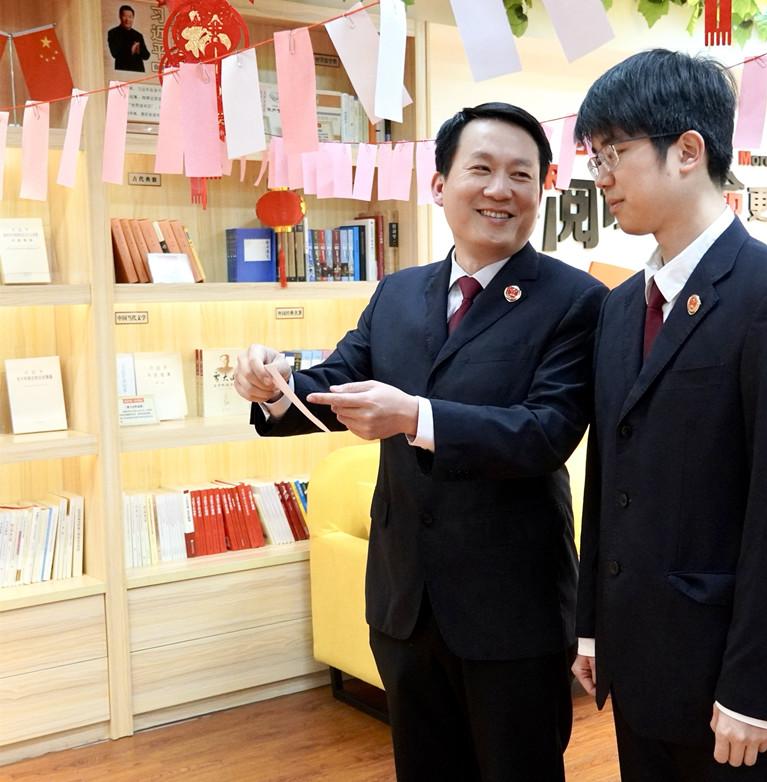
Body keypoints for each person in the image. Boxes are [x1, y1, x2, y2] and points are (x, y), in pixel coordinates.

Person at [233, 102, 607, 782]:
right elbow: (335, 381)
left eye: (521, 174)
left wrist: (415, 417)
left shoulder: (576, 300)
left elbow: (545, 432)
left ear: (542, 188)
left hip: (512, 609)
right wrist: (272, 385)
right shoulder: (398, 293)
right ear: (439, 185)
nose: (500, 190)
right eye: (481, 169)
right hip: (404, 602)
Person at [571, 50, 767, 781]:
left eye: (614, 152)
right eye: (594, 156)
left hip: (735, 689)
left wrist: (758, 688)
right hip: (642, 671)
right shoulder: (621, 307)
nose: (600, 176)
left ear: (687, 150)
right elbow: (609, 478)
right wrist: (593, 627)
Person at [107, 5, 150, 73]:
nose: (127, 20)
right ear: (120, 16)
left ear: (133, 18)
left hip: (139, 71)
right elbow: (114, 53)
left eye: (130, 17)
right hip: (122, 71)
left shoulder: (138, 35)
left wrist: (139, 49)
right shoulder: (113, 32)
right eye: (125, 16)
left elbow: (147, 56)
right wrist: (131, 50)